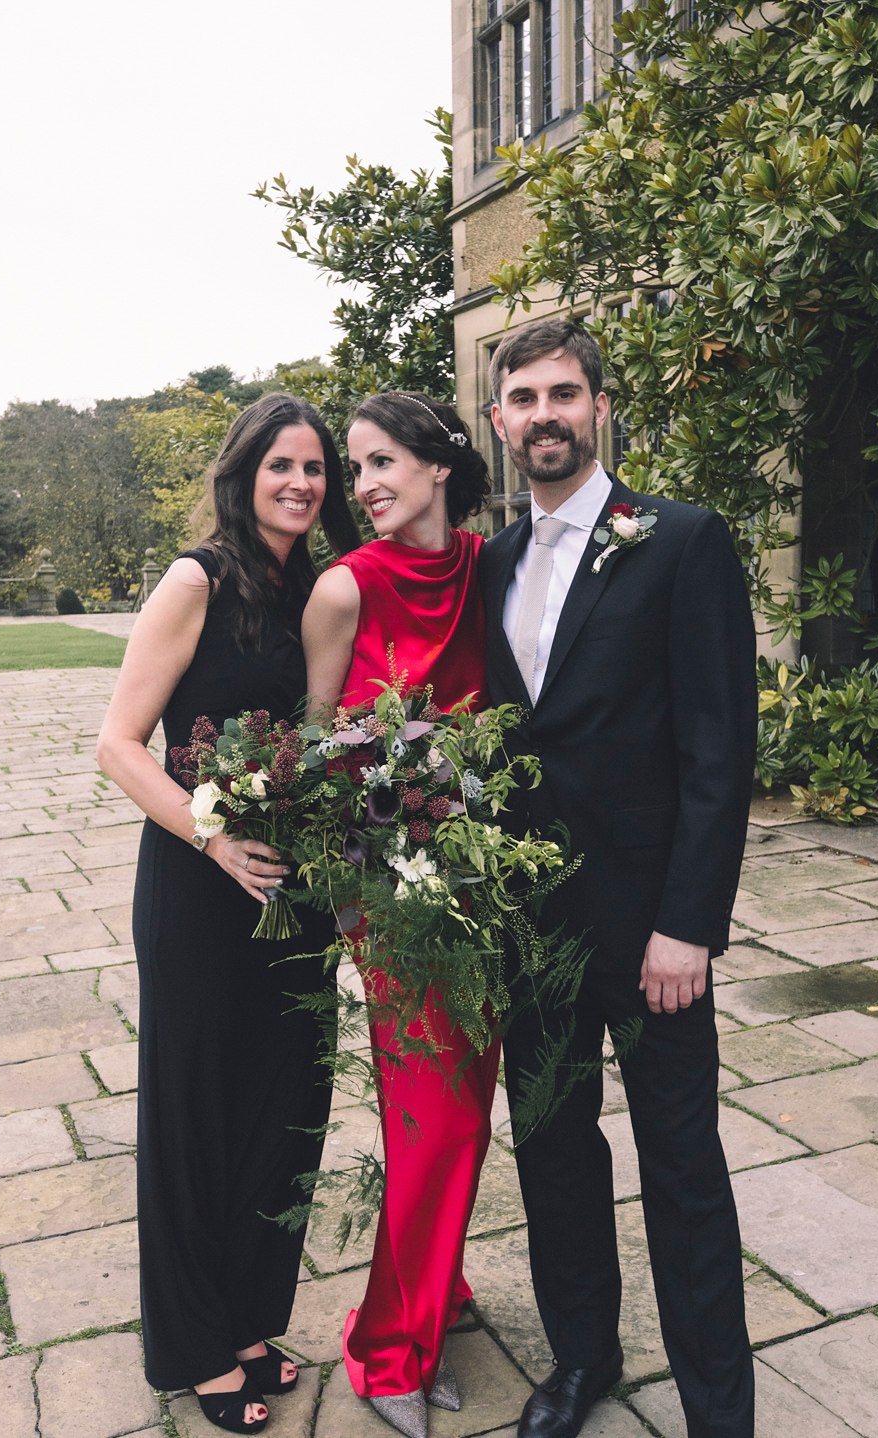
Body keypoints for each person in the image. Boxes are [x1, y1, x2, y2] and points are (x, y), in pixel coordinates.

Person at [480, 319, 758, 1438]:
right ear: (499, 421)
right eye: (523, 398)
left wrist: (689, 924)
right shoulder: (491, 562)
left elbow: (718, 749)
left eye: (562, 393)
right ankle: (582, 1356)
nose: (543, 414)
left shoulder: (681, 541)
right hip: (530, 933)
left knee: (683, 1171)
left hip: (654, 941)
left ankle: (716, 1405)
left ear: (599, 405)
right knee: (553, 1150)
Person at [97, 393, 360, 1434]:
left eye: (315, 469)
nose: (301, 484)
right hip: (199, 892)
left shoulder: (319, 589)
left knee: (282, 1114)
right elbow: (119, 742)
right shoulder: (192, 579)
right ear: (243, 473)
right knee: (196, 1115)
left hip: (291, 889)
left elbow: (325, 731)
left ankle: (252, 1320)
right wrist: (209, 836)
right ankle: (198, 1346)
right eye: (281, 466)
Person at [302, 391, 497, 1438]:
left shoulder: (487, 567)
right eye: (356, 467)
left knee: (470, 1108)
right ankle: (384, 1355)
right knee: (437, 1117)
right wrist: (353, 893)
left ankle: (435, 1299)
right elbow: (314, 753)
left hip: (484, 884)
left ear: (437, 466)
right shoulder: (347, 587)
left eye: (382, 463)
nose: (363, 484)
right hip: (394, 892)